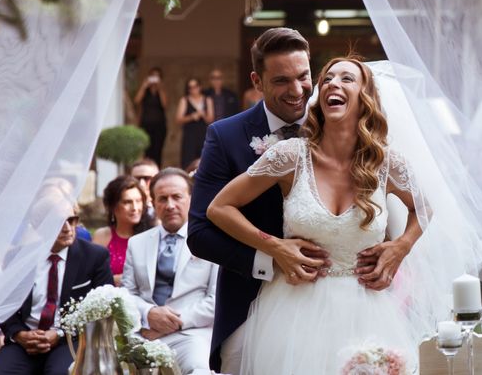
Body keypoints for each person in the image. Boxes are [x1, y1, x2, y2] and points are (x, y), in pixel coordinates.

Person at [208, 57, 426, 374]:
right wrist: (274, 246)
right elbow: (219, 208)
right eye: (327, 79)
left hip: (365, 311)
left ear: (366, 98)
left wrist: (401, 246)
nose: (333, 84)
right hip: (293, 312)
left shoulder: (387, 163)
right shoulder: (290, 155)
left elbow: (423, 209)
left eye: (346, 79)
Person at [186, 27, 326, 373]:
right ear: (257, 80)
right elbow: (200, 231)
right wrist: (272, 256)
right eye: (281, 81)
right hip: (252, 300)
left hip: (331, 296)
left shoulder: (339, 125)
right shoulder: (226, 135)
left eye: (303, 76)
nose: (297, 91)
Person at [0, 207, 113, 375]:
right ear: (39, 225)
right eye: (59, 222)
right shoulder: (18, 256)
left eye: (72, 220)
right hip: (25, 343)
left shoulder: (94, 256)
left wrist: (60, 333)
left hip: (70, 341)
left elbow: (104, 310)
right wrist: (19, 335)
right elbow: (5, 304)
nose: (67, 227)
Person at [122, 168, 218, 375]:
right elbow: (127, 294)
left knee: (199, 369)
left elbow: (215, 299)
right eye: (162, 199)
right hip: (143, 333)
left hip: (191, 335)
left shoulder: (210, 241)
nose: (170, 205)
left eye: (177, 197)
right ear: (153, 203)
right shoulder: (136, 244)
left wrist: (173, 322)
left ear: (191, 199)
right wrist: (149, 314)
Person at [93, 175, 154, 285]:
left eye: (139, 201)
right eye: (127, 202)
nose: (135, 208)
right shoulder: (102, 236)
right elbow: (92, 276)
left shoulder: (152, 235)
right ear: (113, 206)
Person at [177, 77, 214, 169]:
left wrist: (203, 115)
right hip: (190, 135)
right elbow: (178, 119)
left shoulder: (207, 100)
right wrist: (191, 117)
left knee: (204, 159)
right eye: (190, 87)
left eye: (195, 86)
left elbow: (211, 119)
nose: (193, 89)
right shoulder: (184, 100)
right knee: (188, 160)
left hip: (203, 134)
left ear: (200, 87)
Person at [135, 67, 168, 165]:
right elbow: (136, 101)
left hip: (159, 125)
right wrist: (144, 86)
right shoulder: (145, 91)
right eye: (152, 75)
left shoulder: (161, 91)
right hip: (145, 124)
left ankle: (157, 170)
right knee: (146, 150)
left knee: (158, 150)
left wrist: (160, 88)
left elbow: (165, 104)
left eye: (157, 76)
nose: (154, 78)